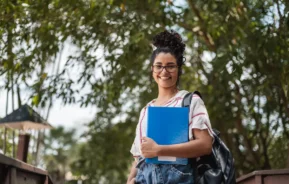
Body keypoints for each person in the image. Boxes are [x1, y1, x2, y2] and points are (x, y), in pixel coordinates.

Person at [126, 30, 213, 184]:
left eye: (170, 66)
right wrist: (129, 180)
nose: (164, 71)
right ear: (152, 69)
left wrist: (160, 150)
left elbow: (205, 145)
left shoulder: (190, 101)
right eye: (159, 66)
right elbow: (140, 155)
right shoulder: (146, 110)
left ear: (178, 69)